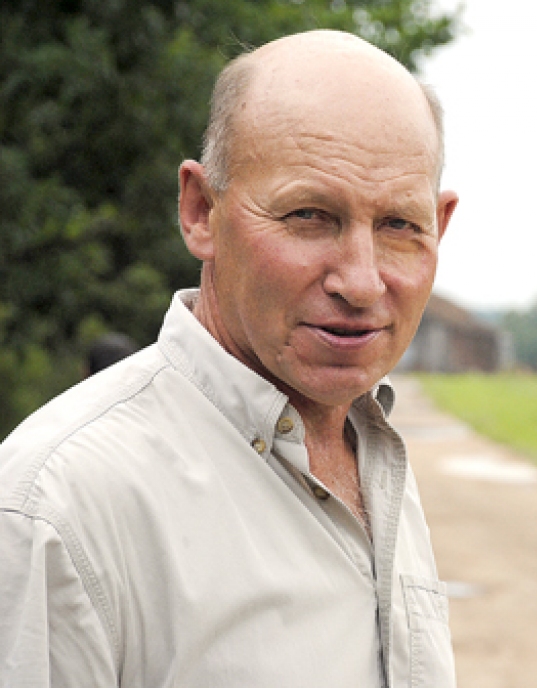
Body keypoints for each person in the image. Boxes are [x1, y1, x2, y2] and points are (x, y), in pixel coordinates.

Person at [0, 31, 459, 688]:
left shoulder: (371, 452)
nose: (361, 282)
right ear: (200, 212)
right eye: (309, 215)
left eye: (399, 226)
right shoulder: (54, 512)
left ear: (439, 226)